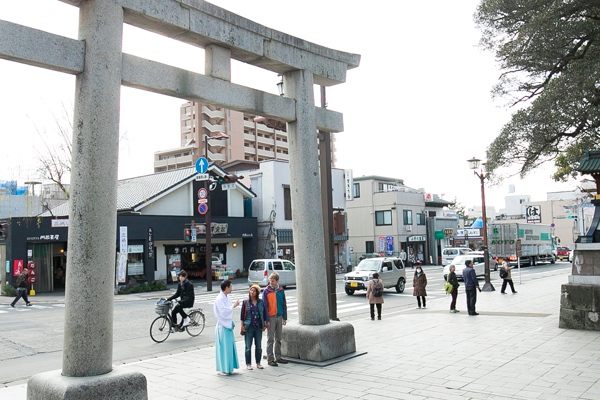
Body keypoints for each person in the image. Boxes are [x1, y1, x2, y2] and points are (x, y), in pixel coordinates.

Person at [213, 280, 240, 375]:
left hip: (227, 324)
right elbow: (223, 312)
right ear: (226, 288)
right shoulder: (220, 298)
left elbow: (227, 312)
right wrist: (233, 306)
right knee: (224, 347)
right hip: (222, 325)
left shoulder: (226, 297)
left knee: (229, 347)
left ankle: (229, 368)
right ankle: (224, 369)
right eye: (230, 286)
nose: (231, 288)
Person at [262, 272, 288, 367]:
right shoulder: (266, 291)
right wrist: (266, 319)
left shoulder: (281, 290)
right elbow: (264, 306)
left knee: (279, 338)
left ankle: (278, 357)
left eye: (273, 281)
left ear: (277, 281)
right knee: (270, 339)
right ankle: (270, 358)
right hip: (271, 317)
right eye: (270, 281)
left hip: (279, 316)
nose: (271, 283)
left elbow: (284, 304)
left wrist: (284, 317)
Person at [241, 284, 268, 370]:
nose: (252, 292)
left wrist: (264, 325)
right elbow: (242, 316)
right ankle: (248, 364)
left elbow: (263, 314)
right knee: (248, 346)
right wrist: (242, 326)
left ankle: (258, 363)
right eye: (251, 290)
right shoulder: (246, 302)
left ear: (257, 293)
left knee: (258, 346)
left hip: (258, 327)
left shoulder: (260, 302)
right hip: (249, 327)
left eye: (254, 291)